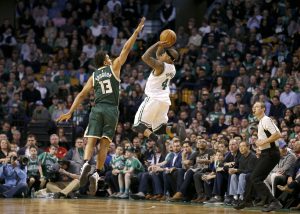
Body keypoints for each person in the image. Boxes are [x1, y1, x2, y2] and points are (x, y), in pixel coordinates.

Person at [56, 17, 145, 188]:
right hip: (112, 110)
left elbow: (81, 95)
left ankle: (85, 165)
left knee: (91, 141)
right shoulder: (114, 68)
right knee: (104, 143)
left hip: (97, 109)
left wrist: (70, 111)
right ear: (105, 61)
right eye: (108, 57)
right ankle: (96, 173)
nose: (111, 58)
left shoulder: (94, 76)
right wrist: (136, 32)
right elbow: (126, 48)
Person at [234, 101, 282, 212]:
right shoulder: (262, 121)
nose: (254, 108)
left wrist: (262, 142)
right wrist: (261, 148)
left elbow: (278, 135)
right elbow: (274, 135)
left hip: (271, 153)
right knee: (252, 177)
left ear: (263, 109)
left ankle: (274, 202)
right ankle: (247, 200)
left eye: (257, 107)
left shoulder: (265, 120)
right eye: (253, 107)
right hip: (267, 153)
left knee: (255, 178)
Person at [132, 40, 184, 142]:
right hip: (164, 101)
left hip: (153, 99)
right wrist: (161, 46)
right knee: (159, 129)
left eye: (165, 53)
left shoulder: (160, 66)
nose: (163, 54)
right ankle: (175, 128)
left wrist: (156, 44)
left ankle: (156, 140)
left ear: (169, 57)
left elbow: (145, 57)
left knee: (138, 126)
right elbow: (159, 56)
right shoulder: (172, 68)